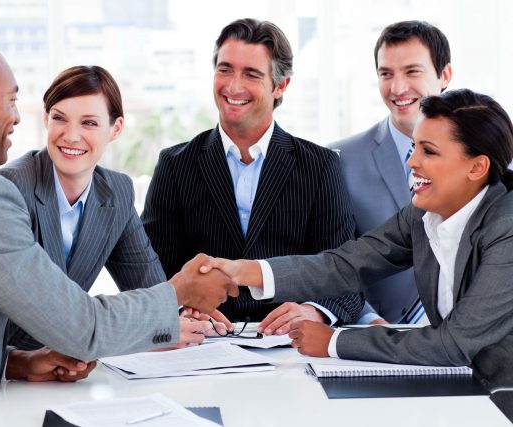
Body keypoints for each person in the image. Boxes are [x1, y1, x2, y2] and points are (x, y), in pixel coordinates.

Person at [0, 36, 237, 426]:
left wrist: (22, 363)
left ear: (115, 129)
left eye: (90, 122)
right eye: (11, 100)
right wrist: (179, 290)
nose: (16, 117)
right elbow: (80, 327)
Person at [204, 89, 513, 387]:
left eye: (428, 151)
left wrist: (335, 341)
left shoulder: (507, 227)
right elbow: (347, 264)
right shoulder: (422, 215)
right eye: (415, 146)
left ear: (477, 167)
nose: (411, 162)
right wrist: (246, 271)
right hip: (466, 389)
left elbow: (453, 344)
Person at [142, 18, 363, 335]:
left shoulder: (320, 166)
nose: (233, 86)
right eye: (225, 69)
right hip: (202, 343)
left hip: (288, 344)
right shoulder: (175, 164)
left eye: (251, 74)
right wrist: (180, 312)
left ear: (280, 85)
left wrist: (313, 312)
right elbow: (151, 271)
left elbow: (344, 274)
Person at [0, 65, 211, 353]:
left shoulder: (116, 192)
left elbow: (148, 290)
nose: (71, 136)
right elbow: (37, 316)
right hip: (8, 369)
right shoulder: (9, 189)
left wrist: (182, 317)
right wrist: (155, 320)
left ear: (116, 129)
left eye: (89, 123)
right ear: (46, 119)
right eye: (60, 118)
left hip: (69, 367)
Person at [331, 21, 452, 324]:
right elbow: (331, 264)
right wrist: (370, 324)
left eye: (412, 72)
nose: (397, 88)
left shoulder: (498, 161)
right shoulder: (337, 161)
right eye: (386, 74)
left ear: (444, 75)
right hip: (380, 344)